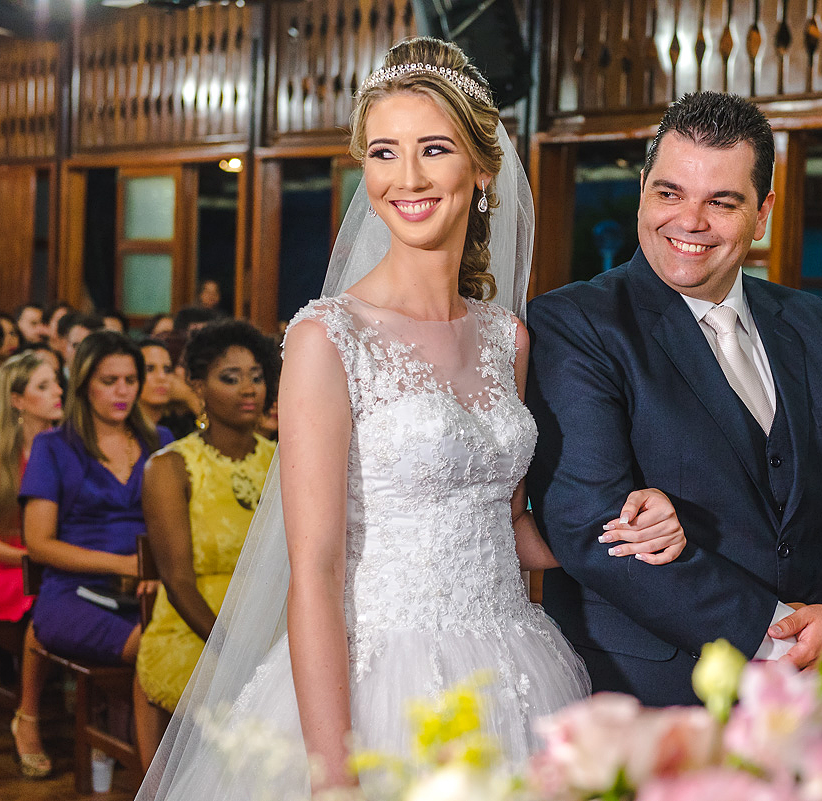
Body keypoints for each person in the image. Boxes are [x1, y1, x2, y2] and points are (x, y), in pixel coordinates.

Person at [137, 37, 684, 801]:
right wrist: (334, 776)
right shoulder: (328, 337)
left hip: (511, 673)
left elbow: (510, 527)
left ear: (483, 168)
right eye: (384, 153)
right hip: (376, 685)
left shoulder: (506, 337)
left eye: (434, 148)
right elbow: (315, 572)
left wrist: (625, 525)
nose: (408, 178)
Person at [526, 91, 822, 706]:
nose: (690, 221)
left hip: (809, 700)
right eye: (669, 193)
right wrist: (779, 639)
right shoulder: (574, 324)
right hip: (648, 697)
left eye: (721, 202)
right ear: (643, 191)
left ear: (763, 212)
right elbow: (592, 525)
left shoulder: (816, 325)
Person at [20, 331, 173, 752]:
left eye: (130, 380)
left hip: (149, 587)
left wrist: (157, 570)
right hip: (74, 593)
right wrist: (122, 565)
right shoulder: (54, 446)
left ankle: (186, 761)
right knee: (159, 646)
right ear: (84, 384)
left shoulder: (159, 441)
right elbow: (39, 544)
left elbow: (176, 523)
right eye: (109, 381)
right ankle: (156, 774)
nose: (122, 391)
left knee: (205, 637)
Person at [136, 320, 278, 766]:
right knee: (262, 700)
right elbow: (177, 582)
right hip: (196, 631)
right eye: (230, 378)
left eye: (256, 376)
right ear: (198, 387)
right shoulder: (171, 466)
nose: (249, 389)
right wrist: (237, 653)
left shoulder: (280, 459)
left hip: (271, 623)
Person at [0, 352, 63, 778]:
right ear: (17, 400)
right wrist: (33, 556)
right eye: (43, 386)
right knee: (46, 597)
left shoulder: (63, 446)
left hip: (45, 559)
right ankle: (27, 716)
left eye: (56, 382)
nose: (58, 391)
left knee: (67, 587)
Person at [138, 340, 175, 427]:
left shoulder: (168, 430)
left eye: (167, 370)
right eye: (149, 369)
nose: (162, 377)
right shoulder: (117, 429)